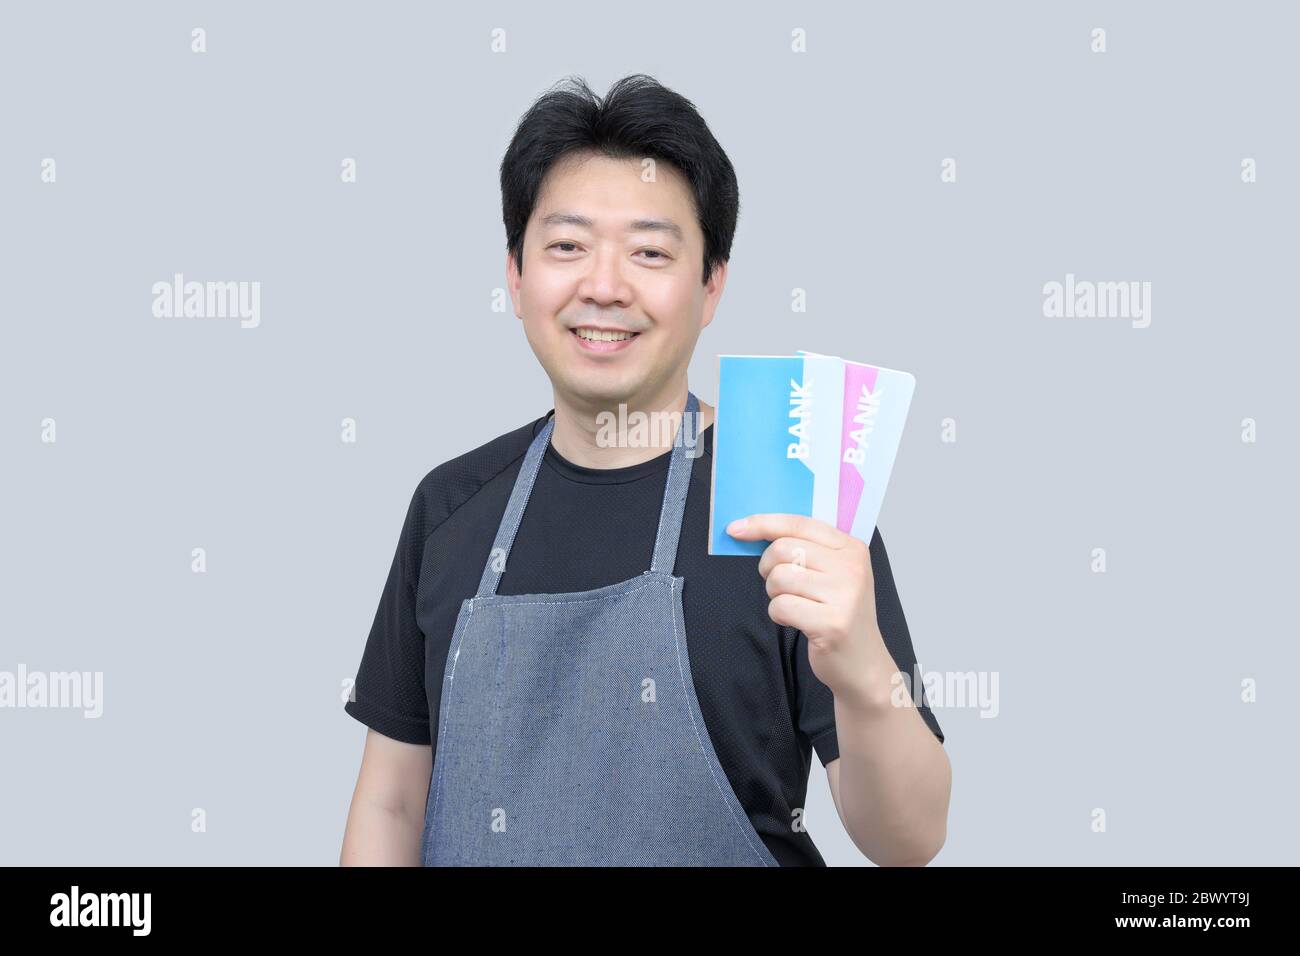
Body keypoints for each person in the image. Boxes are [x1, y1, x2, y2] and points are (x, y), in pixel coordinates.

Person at [340, 74, 951, 866]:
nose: (603, 286)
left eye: (650, 252)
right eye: (566, 246)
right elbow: (391, 806)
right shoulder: (450, 505)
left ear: (710, 286)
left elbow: (909, 840)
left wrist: (866, 672)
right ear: (516, 277)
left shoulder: (789, 498)